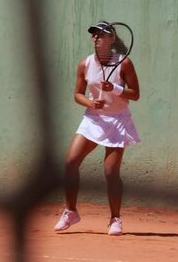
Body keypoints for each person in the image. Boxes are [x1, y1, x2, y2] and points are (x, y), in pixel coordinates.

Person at [53, 21, 140, 236]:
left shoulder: (124, 63)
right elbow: (77, 94)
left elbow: (135, 94)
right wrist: (90, 103)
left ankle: (115, 219)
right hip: (93, 119)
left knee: (111, 172)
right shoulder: (85, 64)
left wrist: (116, 89)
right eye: (94, 34)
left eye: (101, 34)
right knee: (70, 162)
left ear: (111, 39)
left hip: (117, 120)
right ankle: (71, 212)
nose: (96, 37)